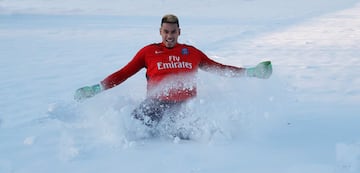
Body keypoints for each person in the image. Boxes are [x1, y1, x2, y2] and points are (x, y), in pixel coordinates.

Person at [74, 14, 272, 129]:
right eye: (166, 31)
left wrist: (250, 72)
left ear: (179, 32)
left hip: (186, 106)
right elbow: (124, 73)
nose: (169, 36)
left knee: (196, 133)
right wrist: (97, 88)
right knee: (133, 129)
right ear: (160, 31)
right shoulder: (148, 52)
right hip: (155, 104)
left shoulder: (192, 53)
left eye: (173, 32)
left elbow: (219, 69)